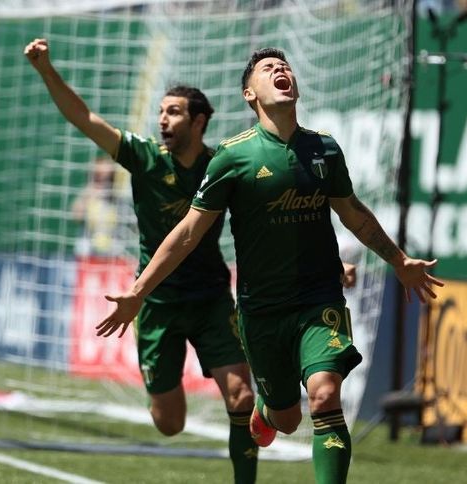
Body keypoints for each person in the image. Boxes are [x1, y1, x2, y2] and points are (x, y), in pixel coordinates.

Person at [96, 48, 443, 484]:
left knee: (325, 396)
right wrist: (137, 293)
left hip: (318, 299)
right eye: (267, 68)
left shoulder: (324, 148)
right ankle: (268, 408)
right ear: (250, 94)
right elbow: (187, 233)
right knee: (286, 418)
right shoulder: (231, 157)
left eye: (284, 66)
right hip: (261, 312)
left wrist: (399, 260)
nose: (280, 69)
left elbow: (353, 213)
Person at [24, 38, 259, 483]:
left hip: (211, 299)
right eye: (161, 111)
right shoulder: (144, 157)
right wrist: (45, 70)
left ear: (199, 121)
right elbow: (84, 117)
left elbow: (268, 217)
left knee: (241, 397)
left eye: (174, 112)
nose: (162, 119)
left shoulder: (221, 166)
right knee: (170, 424)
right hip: (156, 304)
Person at [71, 157, 123, 257]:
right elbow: (76, 215)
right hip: (89, 245)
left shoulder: (118, 194)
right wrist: (88, 196)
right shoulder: (88, 192)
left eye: (107, 176)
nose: (102, 178)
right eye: (98, 174)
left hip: (112, 246)